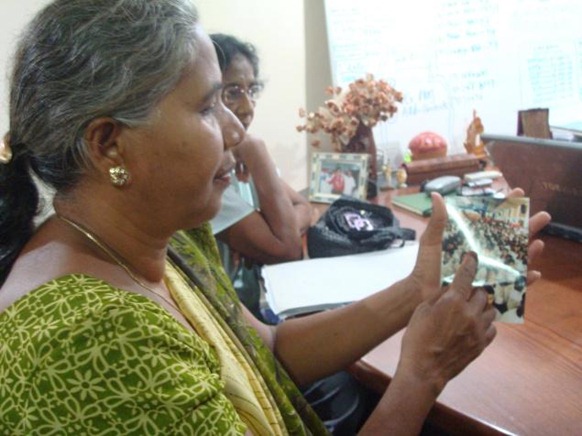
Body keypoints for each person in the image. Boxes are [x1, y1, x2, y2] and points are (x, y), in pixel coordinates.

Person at [0, 1, 551, 434]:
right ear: (108, 145)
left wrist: (417, 290)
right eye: (206, 106)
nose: (236, 130)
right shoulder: (88, 342)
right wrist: (420, 376)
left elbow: (263, 351)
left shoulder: (165, 236)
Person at [209, 33, 312, 319]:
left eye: (250, 90)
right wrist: (256, 151)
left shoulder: (242, 156)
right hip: (229, 319)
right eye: (232, 92)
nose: (248, 106)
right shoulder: (209, 176)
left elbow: (304, 207)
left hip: (255, 309)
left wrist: (273, 227)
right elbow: (288, 249)